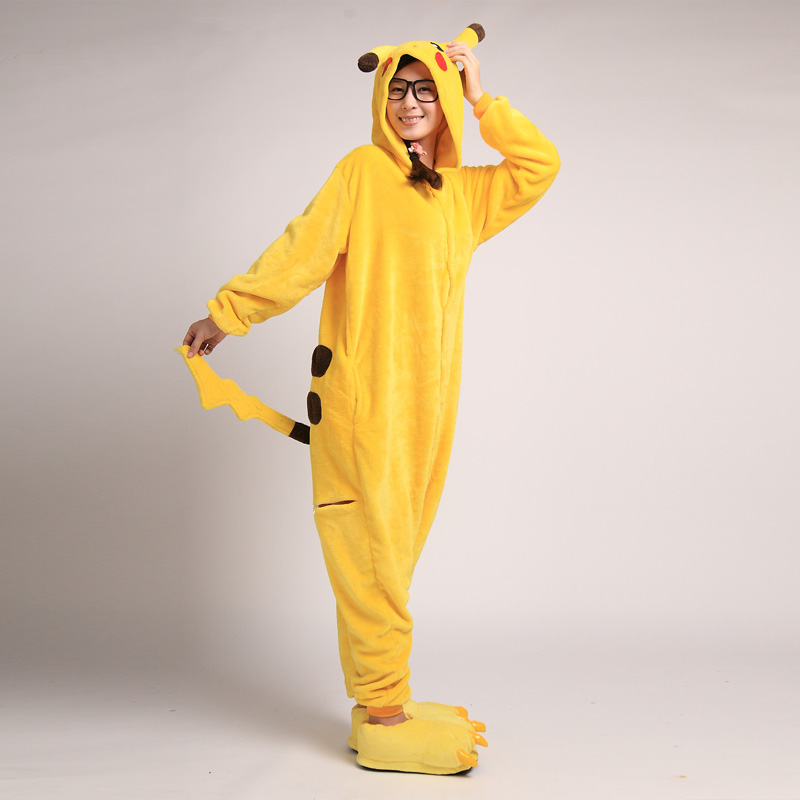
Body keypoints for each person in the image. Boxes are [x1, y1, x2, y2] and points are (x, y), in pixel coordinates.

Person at [181, 24, 559, 774]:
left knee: (396, 551)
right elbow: (300, 251)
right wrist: (228, 314)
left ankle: (379, 699)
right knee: (370, 553)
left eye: (424, 90)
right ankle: (386, 716)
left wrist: (482, 97)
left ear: (445, 99)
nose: (409, 102)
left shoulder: (466, 195)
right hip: (361, 400)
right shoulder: (361, 171)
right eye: (396, 90)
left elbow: (539, 164)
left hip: (427, 405)